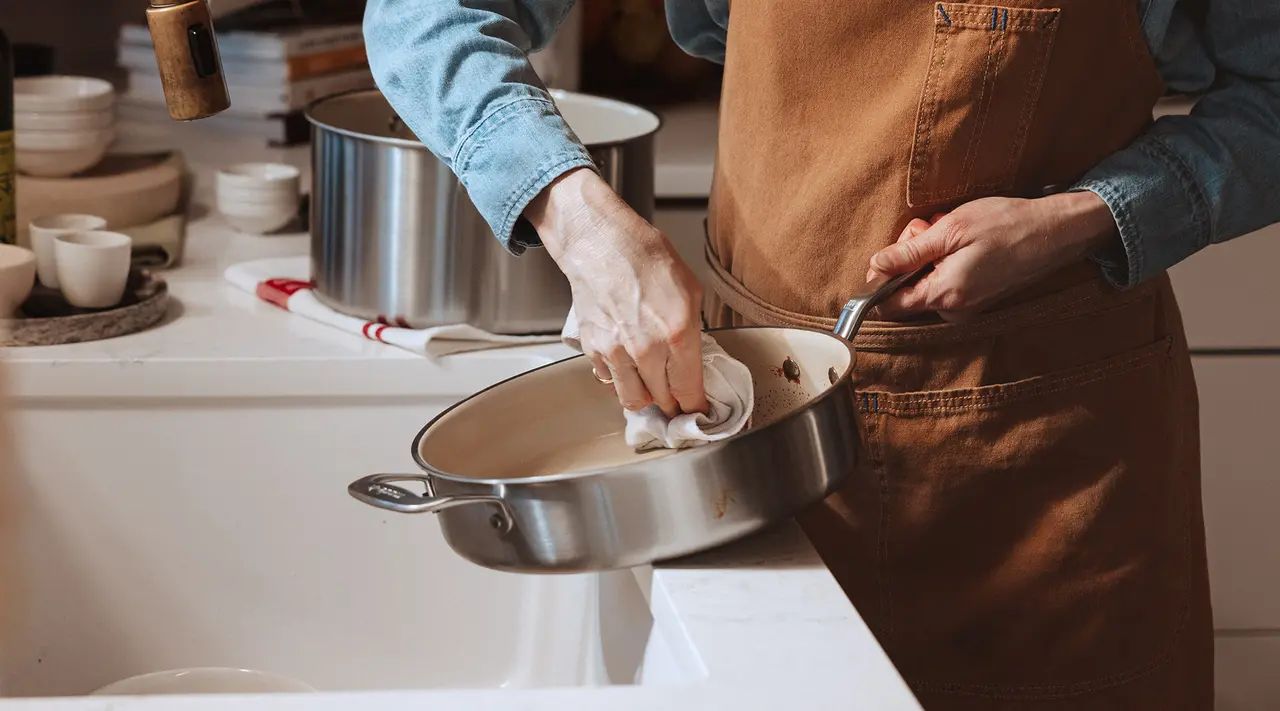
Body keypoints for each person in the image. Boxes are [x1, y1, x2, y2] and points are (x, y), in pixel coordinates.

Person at [364, 1, 1279, 707]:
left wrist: (1080, 218)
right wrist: (582, 223)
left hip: (1051, 485)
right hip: (753, 461)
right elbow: (422, 15)